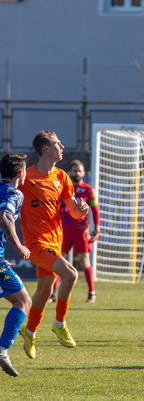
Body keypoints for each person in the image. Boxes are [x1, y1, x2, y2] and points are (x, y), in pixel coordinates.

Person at [18, 131, 89, 359]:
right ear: (46, 148)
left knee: (45, 290)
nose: (63, 146)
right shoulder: (26, 178)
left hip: (55, 241)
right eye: (58, 143)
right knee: (71, 274)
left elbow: (75, 213)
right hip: (36, 243)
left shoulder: (62, 177)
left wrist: (81, 211)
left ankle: (29, 332)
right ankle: (60, 324)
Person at [0, 153, 33, 377]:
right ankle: (2, 350)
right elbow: (4, 216)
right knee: (23, 301)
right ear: (21, 173)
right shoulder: (14, 193)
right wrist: (19, 246)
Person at [49, 160, 101, 303]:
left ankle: (91, 293)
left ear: (84, 173)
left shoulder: (89, 190)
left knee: (84, 262)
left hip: (81, 231)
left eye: (79, 170)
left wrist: (97, 227)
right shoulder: (65, 189)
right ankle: (52, 294)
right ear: (70, 172)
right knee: (60, 261)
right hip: (64, 230)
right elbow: (56, 209)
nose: (77, 173)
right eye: (74, 170)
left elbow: (95, 210)